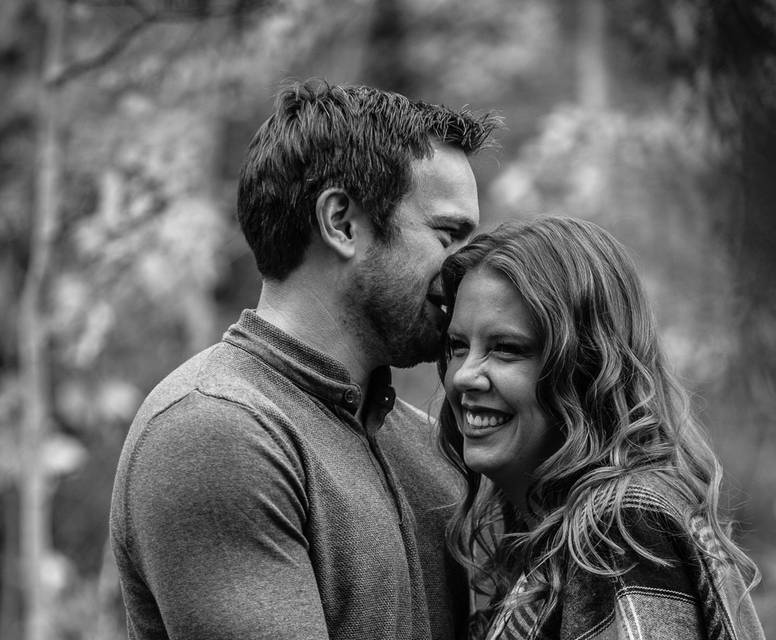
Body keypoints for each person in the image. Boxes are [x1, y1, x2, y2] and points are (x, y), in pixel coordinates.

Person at [109, 80, 500, 640]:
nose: (469, 268)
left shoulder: (428, 445)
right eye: (449, 235)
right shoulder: (218, 430)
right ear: (341, 222)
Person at [437, 216, 765, 640]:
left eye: (507, 349)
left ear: (586, 367)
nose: (463, 375)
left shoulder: (622, 524)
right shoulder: (560, 531)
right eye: (458, 346)